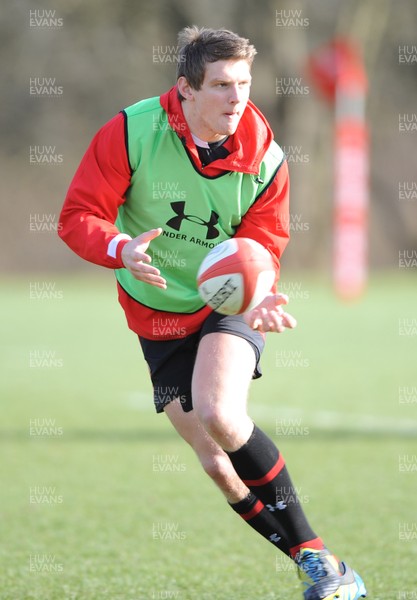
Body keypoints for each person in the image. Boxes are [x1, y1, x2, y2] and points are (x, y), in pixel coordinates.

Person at [59, 26, 366, 600]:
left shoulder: (265, 157)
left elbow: (264, 242)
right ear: (186, 90)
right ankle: (322, 567)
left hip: (225, 303)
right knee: (217, 465)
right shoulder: (131, 132)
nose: (236, 98)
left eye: (244, 84)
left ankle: (320, 561)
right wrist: (121, 248)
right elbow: (78, 215)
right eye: (222, 85)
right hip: (155, 312)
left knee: (221, 414)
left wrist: (263, 291)